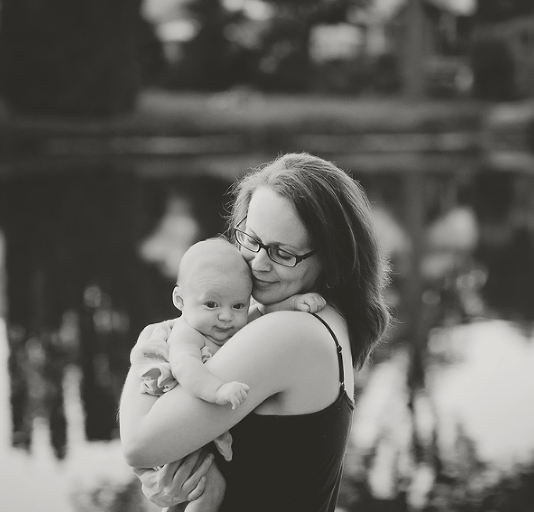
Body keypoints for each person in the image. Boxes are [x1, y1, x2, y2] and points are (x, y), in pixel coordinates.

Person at [120, 152, 391, 512]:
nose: (258, 263)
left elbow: (138, 444)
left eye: (282, 253)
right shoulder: (315, 318)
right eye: (251, 239)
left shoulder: (290, 334)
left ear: (331, 258)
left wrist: (149, 346)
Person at [131, 236, 326, 512]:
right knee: (210, 488)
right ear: (180, 300)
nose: (226, 317)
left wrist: (295, 303)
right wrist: (217, 390)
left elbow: (263, 315)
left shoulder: (231, 327)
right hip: (177, 432)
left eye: (237, 306)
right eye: (211, 305)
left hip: (193, 435)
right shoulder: (187, 334)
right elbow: (186, 367)